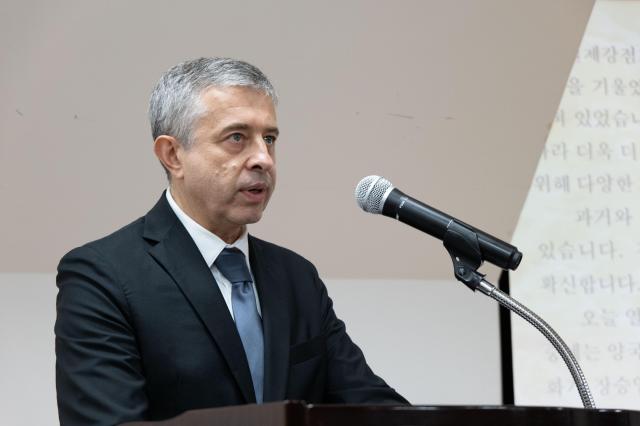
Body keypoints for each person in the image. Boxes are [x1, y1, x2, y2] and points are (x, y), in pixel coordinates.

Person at [55, 57, 408, 426]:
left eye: (269, 139)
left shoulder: (296, 277)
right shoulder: (102, 275)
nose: (263, 159)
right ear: (173, 155)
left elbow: (370, 404)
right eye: (236, 138)